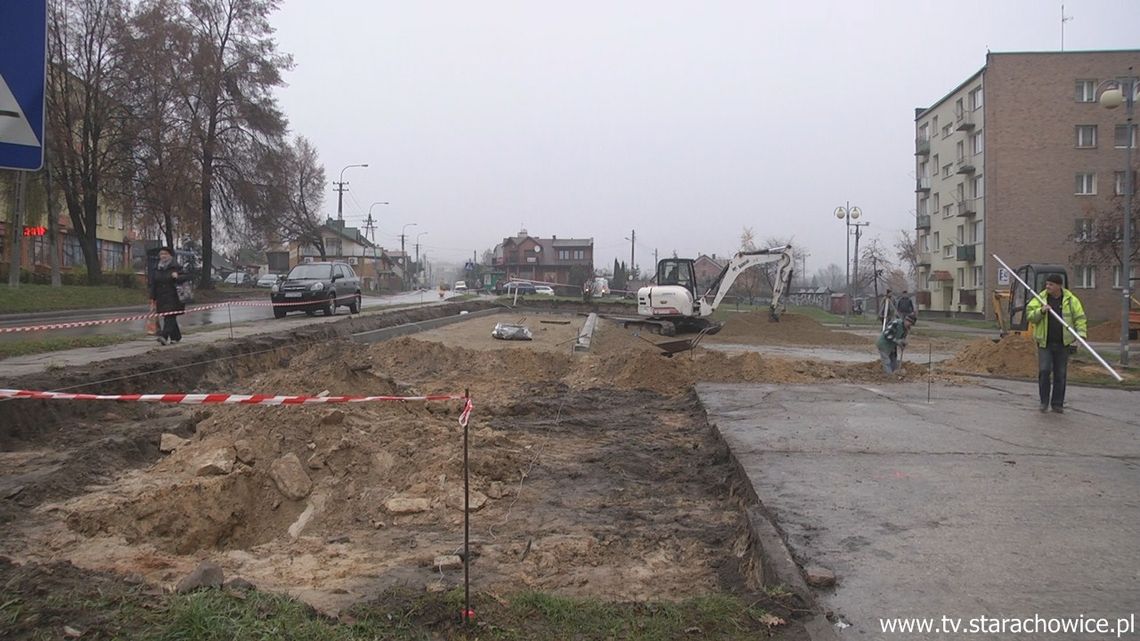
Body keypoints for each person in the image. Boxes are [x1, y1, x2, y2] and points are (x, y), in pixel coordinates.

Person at [1026, 274, 1087, 413]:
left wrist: (1081, 334)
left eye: (1051, 284)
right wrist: (1041, 311)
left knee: (1060, 374)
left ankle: (1057, 404)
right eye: (1047, 284)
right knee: (1044, 370)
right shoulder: (1040, 298)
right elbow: (1030, 315)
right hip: (1045, 343)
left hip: (1063, 343)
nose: (1047, 287)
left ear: (1059, 286)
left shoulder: (1071, 300)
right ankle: (1044, 402)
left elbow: (1080, 318)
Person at [149, 246, 186, 345]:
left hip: (174, 296)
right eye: (161, 254)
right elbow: (153, 283)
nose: (163, 256)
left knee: (170, 316)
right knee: (169, 316)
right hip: (161, 297)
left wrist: (177, 277)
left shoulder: (176, 266)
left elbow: (186, 277)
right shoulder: (157, 268)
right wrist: (152, 297)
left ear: (170, 255)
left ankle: (164, 336)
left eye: (165, 254)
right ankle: (176, 336)